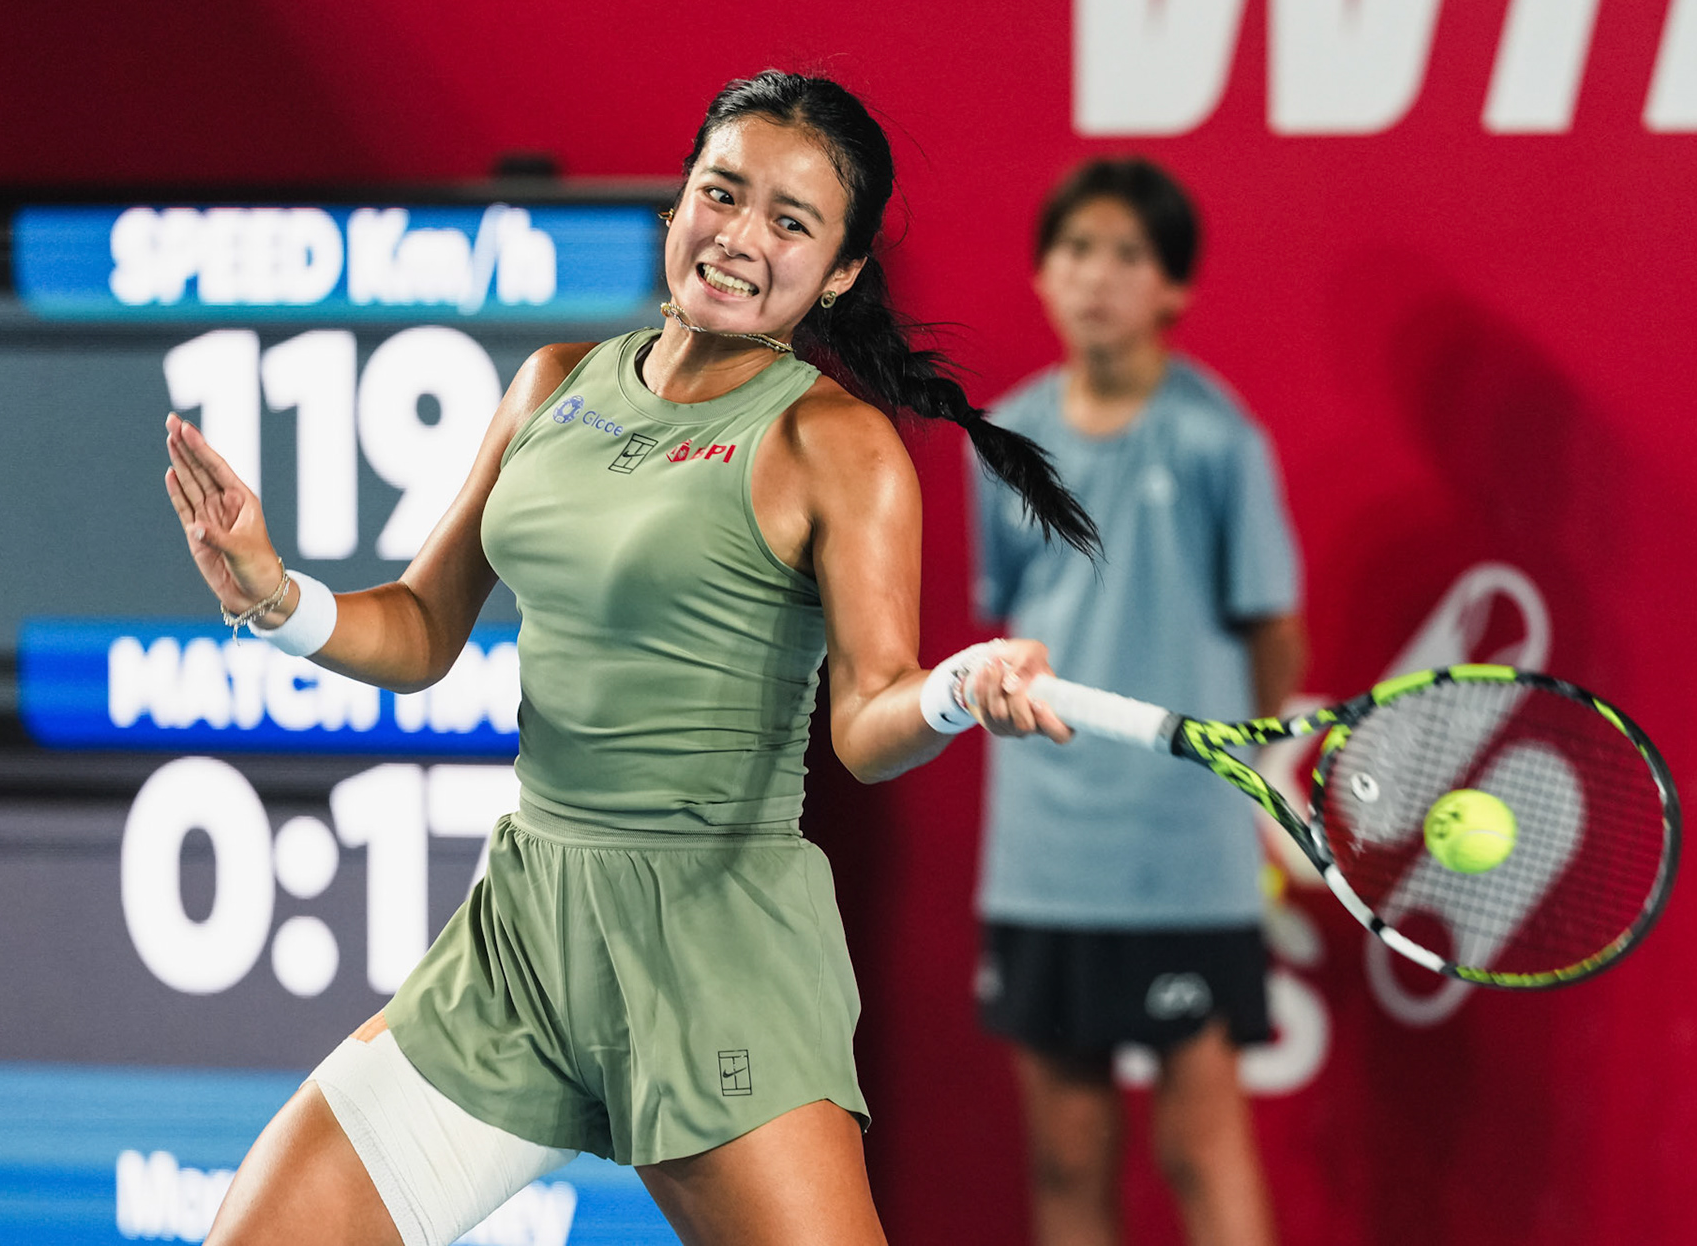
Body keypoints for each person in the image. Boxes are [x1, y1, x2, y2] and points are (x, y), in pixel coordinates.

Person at [163, 71, 1099, 1246]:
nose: (740, 236)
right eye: (723, 191)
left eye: (791, 221)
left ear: (842, 271)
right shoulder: (553, 383)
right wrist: (277, 596)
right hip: (522, 940)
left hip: (716, 952)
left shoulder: (839, 445)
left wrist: (959, 691)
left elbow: (868, 719)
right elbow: (419, 627)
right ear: (681, 203)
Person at [970, 158, 1307, 1246]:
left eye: (1126, 254)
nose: (1095, 277)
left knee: (1197, 1145)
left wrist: (1233, 797)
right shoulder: (1005, 443)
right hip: (1043, 854)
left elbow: (1272, 630)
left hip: (1180, 854)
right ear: (1040, 274)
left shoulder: (1220, 441)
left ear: (1173, 289)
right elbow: (1005, 625)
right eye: (1074, 250)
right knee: (1065, 1154)